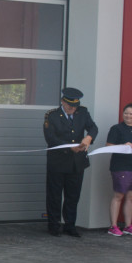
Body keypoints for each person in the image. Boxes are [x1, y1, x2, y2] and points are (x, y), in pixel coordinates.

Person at [43, 87, 98, 237]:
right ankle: (54, 225)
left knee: (73, 195)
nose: (73, 109)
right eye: (70, 106)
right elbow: (50, 138)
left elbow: (93, 128)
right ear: (63, 102)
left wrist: (88, 138)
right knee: (55, 195)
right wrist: (69, 147)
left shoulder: (83, 112)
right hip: (58, 161)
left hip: (76, 162)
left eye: (75, 106)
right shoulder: (52, 116)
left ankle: (70, 225)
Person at [105, 103, 132, 236]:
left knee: (131, 197)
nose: (128, 116)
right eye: (126, 113)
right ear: (122, 114)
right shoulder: (116, 128)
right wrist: (123, 145)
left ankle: (128, 226)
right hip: (121, 167)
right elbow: (108, 146)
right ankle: (113, 226)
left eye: (131, 113)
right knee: (118, 195)